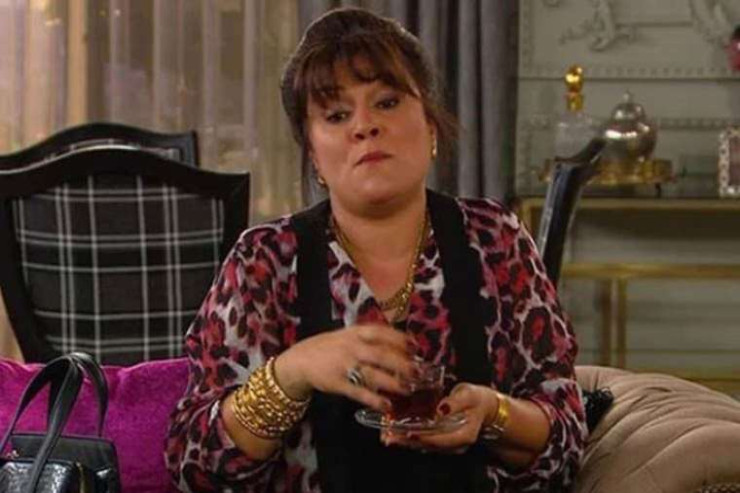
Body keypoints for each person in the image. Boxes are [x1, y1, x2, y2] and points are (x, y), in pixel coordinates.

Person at [166, 7, 586, 493]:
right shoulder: (263, 260)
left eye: (387, 102)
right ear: (313, 155)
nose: (364, 126)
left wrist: (494, 414)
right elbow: (193, 466)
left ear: (431, 126)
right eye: (336, 115)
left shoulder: (496, 239)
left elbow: (567, 439)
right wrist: (292, 373)